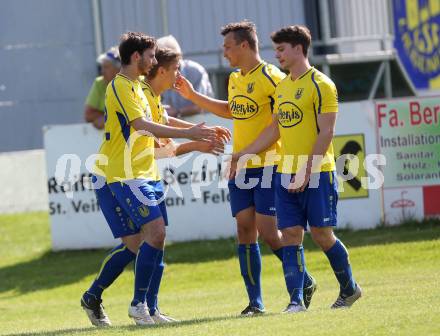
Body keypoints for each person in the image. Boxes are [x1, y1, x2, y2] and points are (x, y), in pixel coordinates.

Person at [174, 21, 316, 315]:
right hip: (241, 165)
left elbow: (283, 120)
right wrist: (192, 97)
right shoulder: (235, 79)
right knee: (243, 228)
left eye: (227, 47)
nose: (223, 52)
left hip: (269, 164)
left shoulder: (273, 77)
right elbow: (231, 110)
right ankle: (256, 303)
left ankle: (303, 282)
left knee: (268, 231)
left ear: (243, 45)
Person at [80, 32, 219, 327]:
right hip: (121, 174)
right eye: (152, 56)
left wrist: (200, 134)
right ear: (136, 57)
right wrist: (193, 135)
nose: (155, 63)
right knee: (151, 235)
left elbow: (163, 128)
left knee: (145, 242)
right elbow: (143, 126)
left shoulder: (142, 90)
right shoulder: (121, 86)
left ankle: (130, 304)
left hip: (144, 172)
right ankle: (138, 306)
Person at [230, 25, 362, 313]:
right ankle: (296, 301)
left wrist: (307, 171)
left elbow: (326, 133)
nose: (277, 55)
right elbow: (275, 129)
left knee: (322, 236)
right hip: (284, 173)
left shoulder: (322, 85)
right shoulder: (284, 86)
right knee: (289, 234)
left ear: (298, 49)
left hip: (318, 172)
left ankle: (350, 289)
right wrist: (244, 153)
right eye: (276, 49)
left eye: (281, 49)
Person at [157, 35, 214, 118]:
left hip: (204, 122)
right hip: (176, 125)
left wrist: (177, 112)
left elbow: (200, 106)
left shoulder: (195, 71)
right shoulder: (161, 73)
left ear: (178, 56)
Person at [84, 47, 121, 129]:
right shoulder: (99, 83)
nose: (102, 71)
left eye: (106, 67)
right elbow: (88, 115)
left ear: (118, 69)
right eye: (102, 67)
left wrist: (107, 119)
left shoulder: (135, 82)